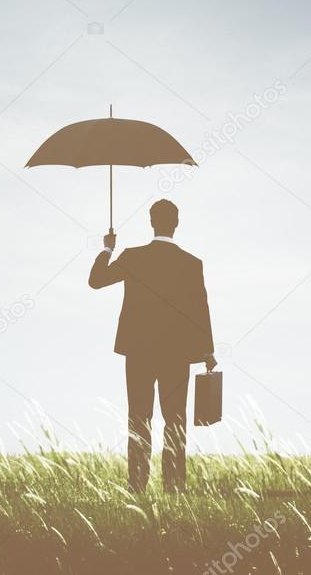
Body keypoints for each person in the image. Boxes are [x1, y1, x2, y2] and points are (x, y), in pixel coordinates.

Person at [88, 199, 216, 493]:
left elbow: (96, 281)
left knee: (139, 418)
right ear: (176, 223)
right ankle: (174, 487)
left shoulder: (133, 257)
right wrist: (207, 351)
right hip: (176, 354)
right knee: (175, 419)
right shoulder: (191, 263)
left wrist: (108, 248)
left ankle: (137, 485)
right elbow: (201, 309)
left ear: (151, 221)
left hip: (139, 352)